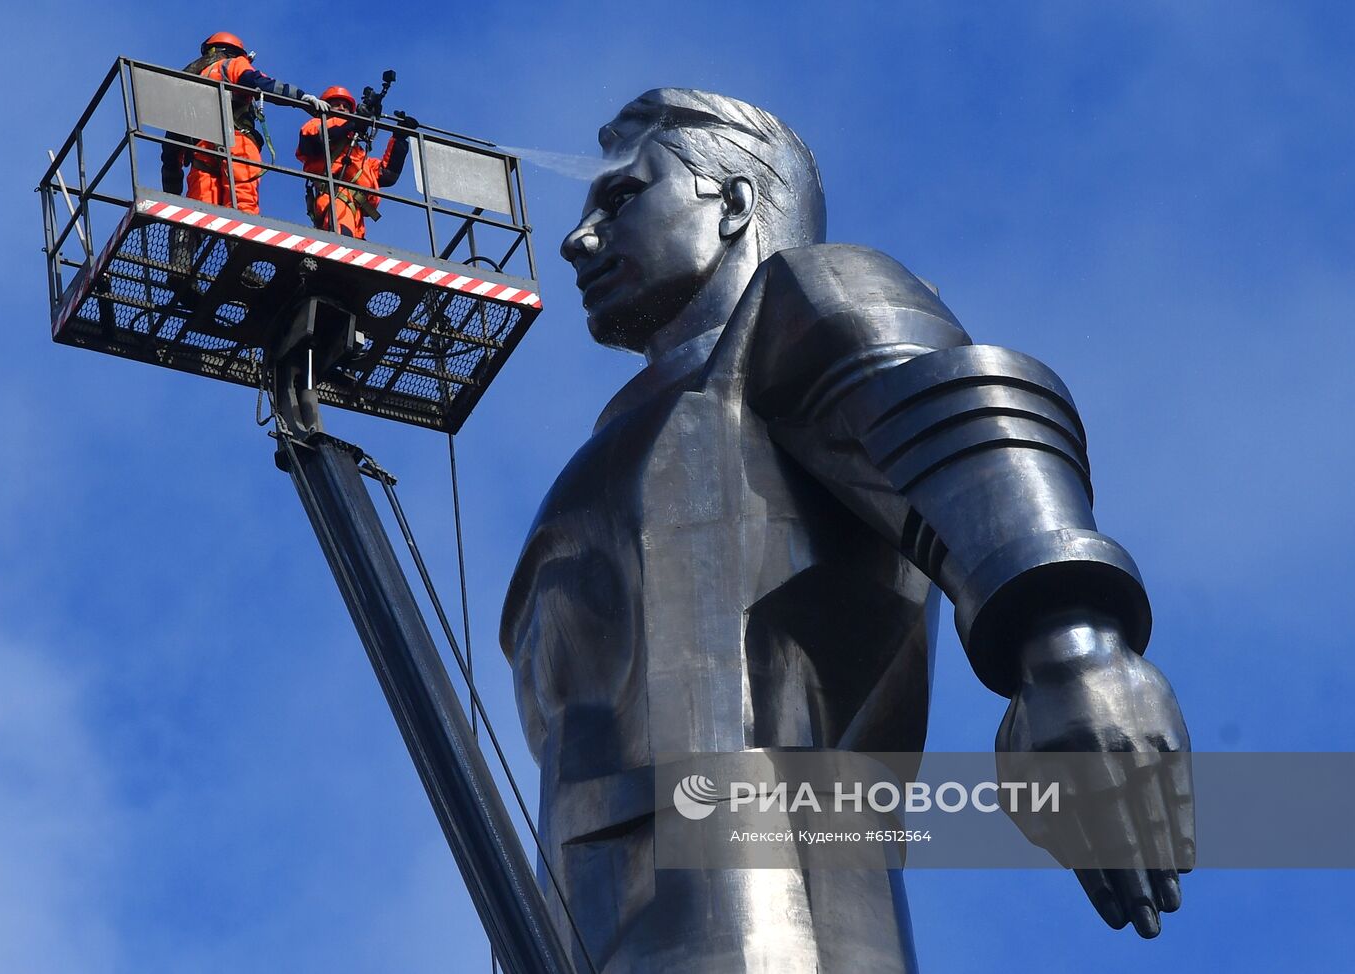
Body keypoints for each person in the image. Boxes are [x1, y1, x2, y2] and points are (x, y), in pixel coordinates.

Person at [500, 88, 1194, 972]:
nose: (579, 237)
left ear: (736, 204)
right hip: (590, 917)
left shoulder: (786, 315)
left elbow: (950, 412)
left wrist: (1073, 648)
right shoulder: (630, 437)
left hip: (767, 876)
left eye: (622, 197)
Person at [160, 31, 326, 214]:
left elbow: (171, 146)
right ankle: (239, 242)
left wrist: (172, 192)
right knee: (242, 202)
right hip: (237, 142)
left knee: (198, 210)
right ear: (236, 52)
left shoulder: (190, 84)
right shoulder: (232, 64)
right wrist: (302, 98)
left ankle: (185, 238)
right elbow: (260, 83)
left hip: (202, 150)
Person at [295, 86, 414, 239]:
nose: (342, 108)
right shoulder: (316, 124)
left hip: (356, 212)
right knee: (341, 247)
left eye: (346, 106)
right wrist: (353, 123)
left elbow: (388, 175)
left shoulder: (359, 156)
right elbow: (314, 139)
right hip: (336, 199)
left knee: (352, 252)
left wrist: (400, 138)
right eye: (336, 104)